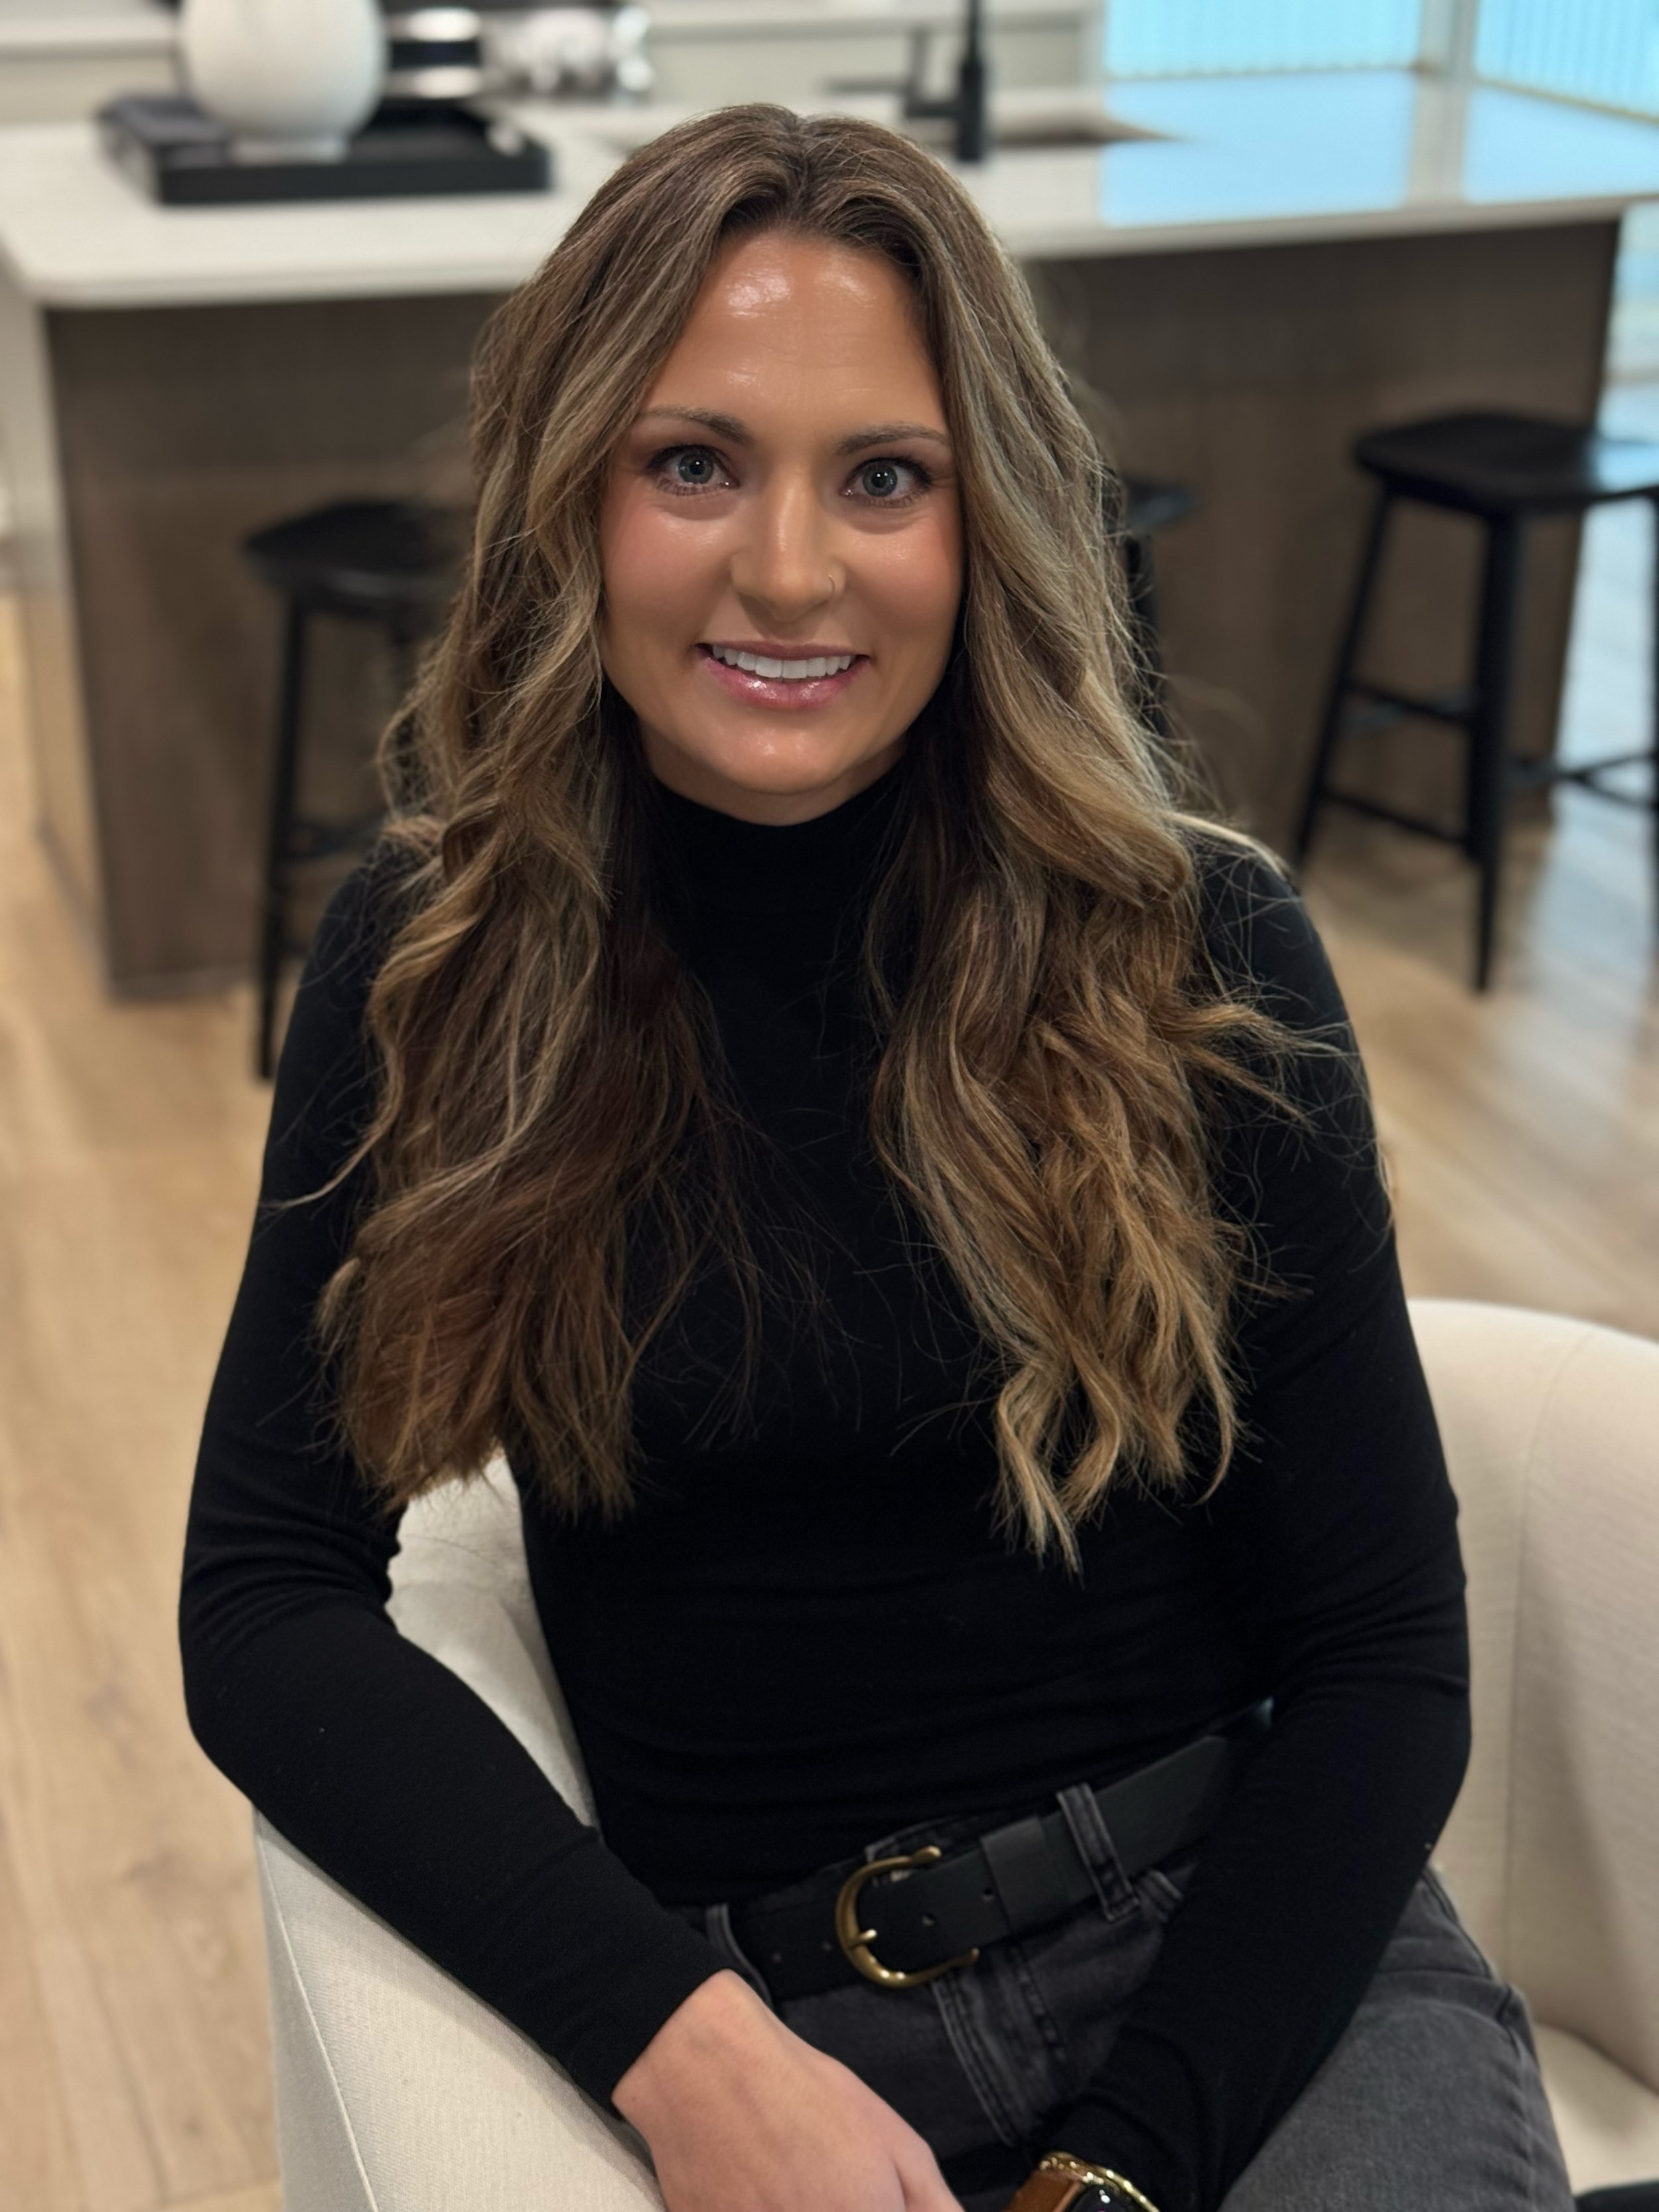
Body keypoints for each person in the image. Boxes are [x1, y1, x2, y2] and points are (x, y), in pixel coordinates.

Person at [180, 104, 1575, 2212]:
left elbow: (1381, 1654)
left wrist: (1116, 2173)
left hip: (1253, 1976)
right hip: (772, 2036)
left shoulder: (1192, 947)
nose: (789, 569)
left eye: (885, 478)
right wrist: (682, 2052)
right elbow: (265, 1601)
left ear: (982, 519)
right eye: (693, 462)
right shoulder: (437, 969)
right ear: (575, 496)